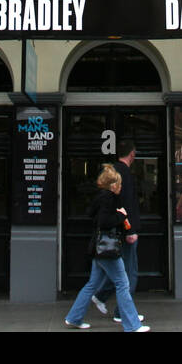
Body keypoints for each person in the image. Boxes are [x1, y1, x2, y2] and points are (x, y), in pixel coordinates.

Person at [64, 164, 149, 332]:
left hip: (98, 246)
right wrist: (121, 215)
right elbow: (105, 221)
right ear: (113, 185)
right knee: (122, 283)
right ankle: (132, 325)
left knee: (92, 284)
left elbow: (91, 214)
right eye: (119, 184)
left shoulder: (100, 197)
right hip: (107, 248)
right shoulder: (109, 199)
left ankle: (74, 317)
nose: (121, 186)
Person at [91, 140, 141, 323]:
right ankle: (122, 312)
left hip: (114, 230)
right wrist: (130, 229)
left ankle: (103, 297)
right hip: (125, 230)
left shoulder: (114, 172)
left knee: (118, 271)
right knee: (129, 272)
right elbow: (127, 205)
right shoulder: (125, 174)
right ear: (132, 154)